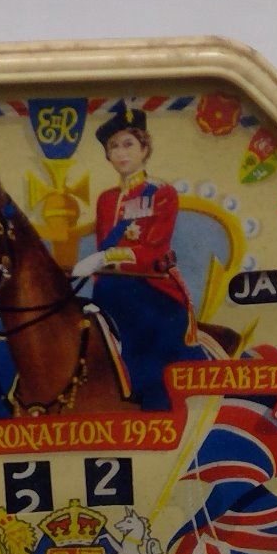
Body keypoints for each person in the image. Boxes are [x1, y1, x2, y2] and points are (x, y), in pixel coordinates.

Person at [69, 106, 209, 410]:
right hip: (112, 289)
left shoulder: (161, 193)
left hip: (154, 288)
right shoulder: (106, 200)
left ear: (144, 149)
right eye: (114, 147)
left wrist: (105, 256)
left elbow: (154, 249)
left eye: (128, 144)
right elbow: (103, 244)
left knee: (155, 355)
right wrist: (97, 274)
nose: (121, 153)